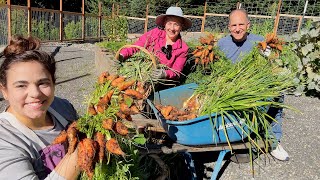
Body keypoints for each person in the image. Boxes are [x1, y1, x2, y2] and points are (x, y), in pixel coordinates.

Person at [0, 35, 80, 179]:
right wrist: (82, 153)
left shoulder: (63, 108)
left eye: (43, 83)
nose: (35, 94)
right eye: (21, 85)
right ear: (4, 91)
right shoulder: (5, 138)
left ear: (53, 84)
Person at [217, 9, 289, 161]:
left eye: (241, 24)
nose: (237, 28)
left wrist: (271, 57)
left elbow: (272, 68)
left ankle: (273, 142)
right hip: (231, 89)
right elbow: (215, 70)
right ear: (229, 27)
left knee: (278, 95)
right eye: (234, 25)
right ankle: (236, 135)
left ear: (248, 25)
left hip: (254, 87)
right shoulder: (221, 44)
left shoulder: (259, 41)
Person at [117, 6, 192, 80]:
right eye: (169, 23)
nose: (172, 28)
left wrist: (165, 73)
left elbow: (177, 71)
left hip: (159, 81)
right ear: (164, 24)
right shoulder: (155, 34)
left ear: (181, 27)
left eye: (176, 24)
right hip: (142, 71)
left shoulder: (183, 49)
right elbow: (137, 46)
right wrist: (122, 54)